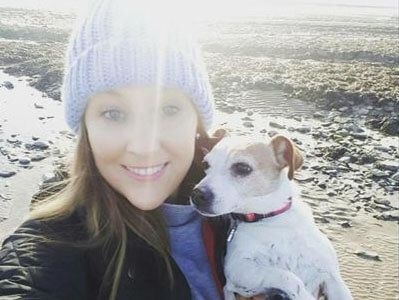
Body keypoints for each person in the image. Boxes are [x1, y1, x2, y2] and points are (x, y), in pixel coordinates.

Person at [0, 0, 230, 299]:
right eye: (113, 114)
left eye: (169, 109)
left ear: (197, 121)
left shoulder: (253, 203)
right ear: (86, 129)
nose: (144, 146)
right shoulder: (54, 241)